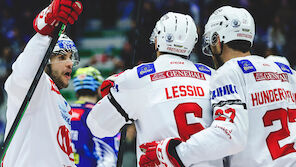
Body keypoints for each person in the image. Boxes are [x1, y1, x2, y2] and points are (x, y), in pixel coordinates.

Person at [139, 6, 296, 167]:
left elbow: (229, 135)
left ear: (216, 41)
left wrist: (174, 152)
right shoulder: (284, 69)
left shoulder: (228, 73)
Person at [86, 12, 223, 167]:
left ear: (157, 39)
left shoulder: (136, 77)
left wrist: (114, 98)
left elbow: (97, 126)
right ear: (193, 42)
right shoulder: (213, 76)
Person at [2, 0, 82, 166]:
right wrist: (45, 31)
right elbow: (24, 73)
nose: (70, 63)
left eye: (70, 58)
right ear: (46, 61)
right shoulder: (38, 87)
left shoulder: (61, 103)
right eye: (61, 57)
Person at [70, 66, 120, 167]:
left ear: (76, 90)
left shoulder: (64, 111)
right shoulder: (98, 114)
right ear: (98, 89)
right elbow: (108, 157)